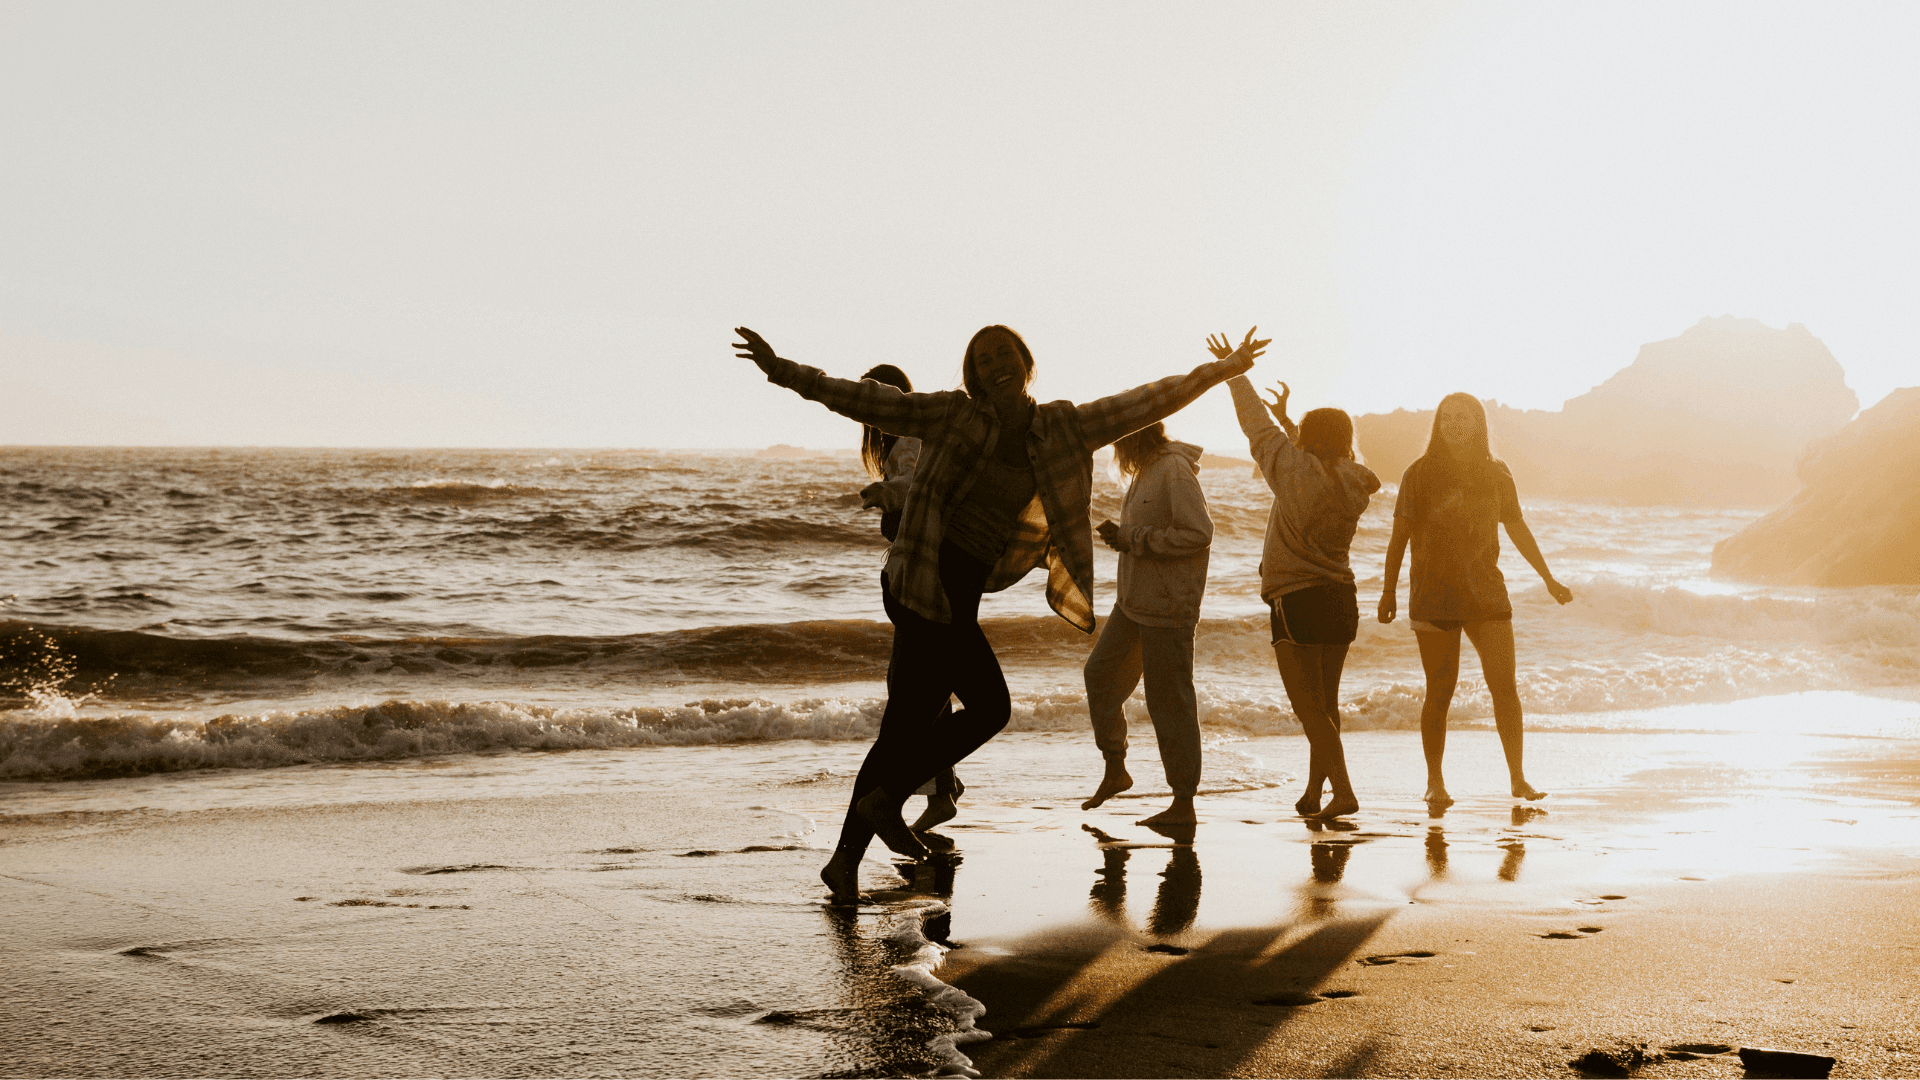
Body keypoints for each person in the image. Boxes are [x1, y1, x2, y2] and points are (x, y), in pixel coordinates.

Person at [730, 323, 1267, 903]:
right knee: (990, 707)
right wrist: (780, 368)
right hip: (918, 579)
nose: (995, 366)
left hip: (958, 593)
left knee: (903, 727)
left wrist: (1223, 370)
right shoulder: (953, 415)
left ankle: (845, 860)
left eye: (1004, 354)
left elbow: (1145, 400)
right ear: (972, 374)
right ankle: (886, 803)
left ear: (1026, 361)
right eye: (983, 361)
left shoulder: (1060, 427)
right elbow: (868, 400)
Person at [1377, 392, 1574, 812]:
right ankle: (1435, 782)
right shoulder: (1420, 474)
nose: (1454, 424)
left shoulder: (1497, 474)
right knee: (1441, 690)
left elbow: (1517, 528)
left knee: (1505, 687)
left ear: (1479, 423)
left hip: (1486, 591)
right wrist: (1388, 589)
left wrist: (1548, 578)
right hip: (1433, 593)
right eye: (1447, 417)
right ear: (1438, 424)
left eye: (1463, 417)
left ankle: (1518, 779)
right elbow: (1399, 537)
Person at [1217, 344, 1379, 821]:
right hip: (1340, 598)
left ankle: (1344, 792)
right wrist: (1292, 421)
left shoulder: (1291, 471)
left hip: (1297, 599)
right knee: (1326, 707)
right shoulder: (1352, 481)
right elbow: (1312, 454)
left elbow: (1255, 427)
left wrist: (1234, 374)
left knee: (1309, 710)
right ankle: (1315, 793)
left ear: (1305, 441)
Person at [1079, 421, 1212, 826]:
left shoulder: (1173, 468)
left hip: (1169, 606)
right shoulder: (1146, 470)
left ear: (1133, 435)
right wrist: (1126, 537)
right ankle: (1116, 767)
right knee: (1100, 675)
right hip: (1134, 602)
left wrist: (1133, 538)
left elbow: (1199, 533)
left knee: (1169, 702)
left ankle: (1183, 803)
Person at [854, 363, 964, 833]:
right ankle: (943, 786)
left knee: (911, 688)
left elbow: (915, 486)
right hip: (922, 577)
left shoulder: (908, 441)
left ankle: (933, 793)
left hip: (923, 580)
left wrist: (885, 492)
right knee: (924, 686)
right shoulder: (903, 442)